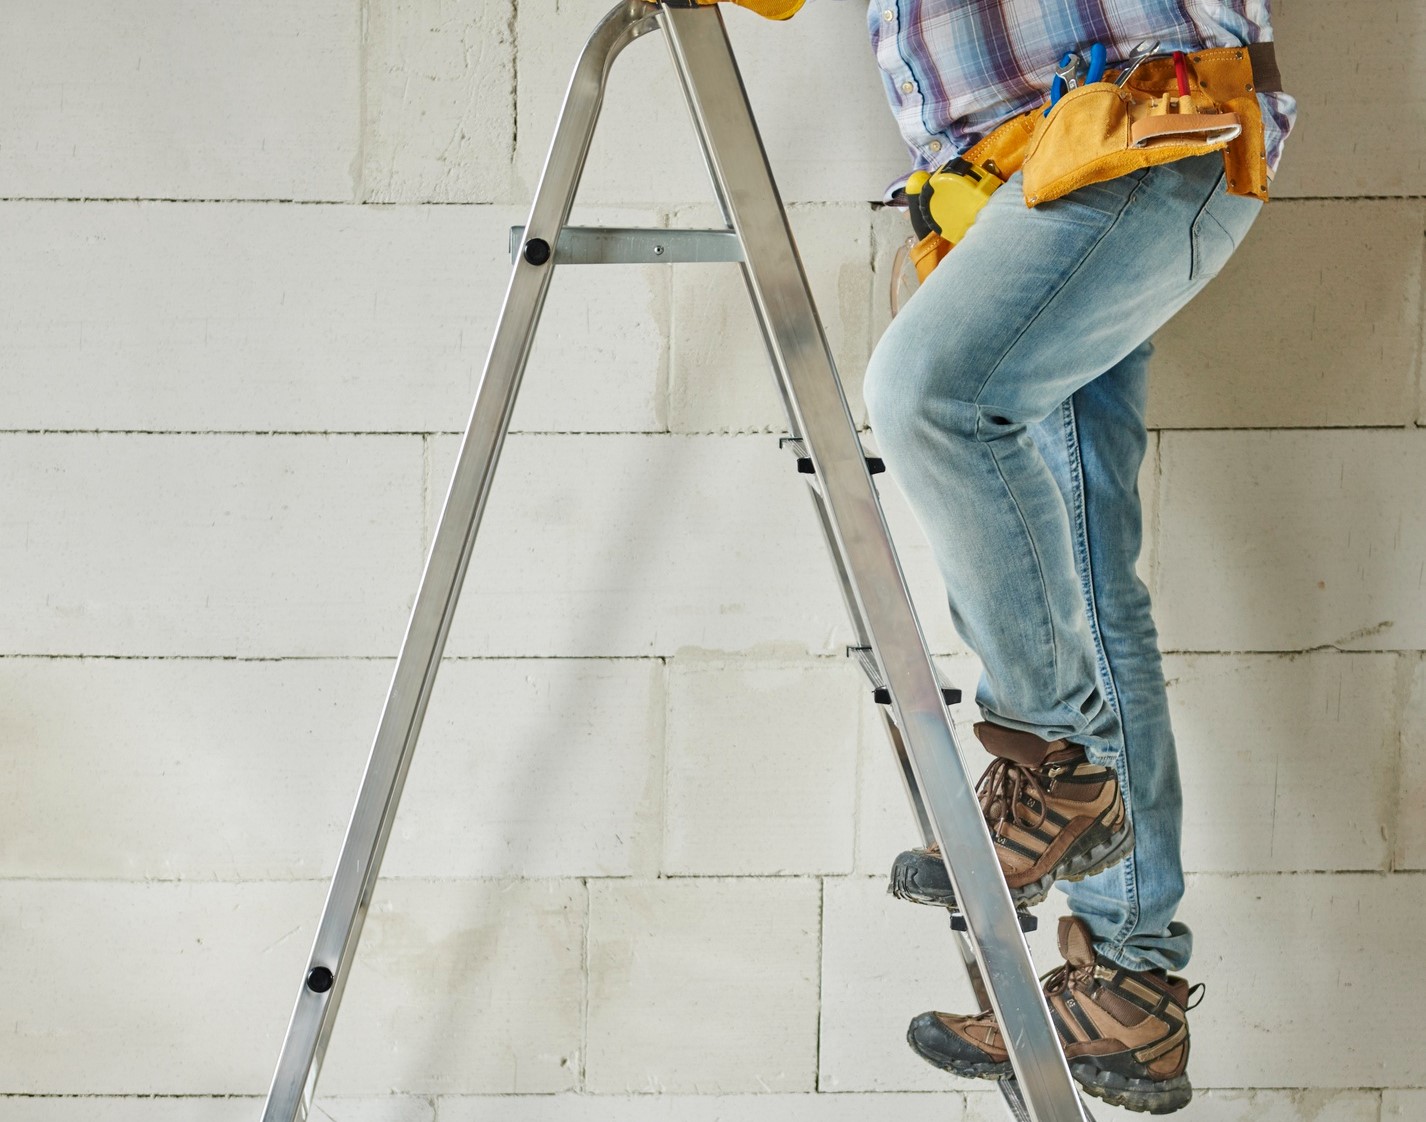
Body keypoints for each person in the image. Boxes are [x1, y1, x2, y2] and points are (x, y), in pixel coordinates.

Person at [860, 2, 1294, 1114]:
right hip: (1018, 174)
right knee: (1092, 589)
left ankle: (1056, 768)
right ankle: (1129, 986)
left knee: (932, 397)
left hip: (1134, 118)